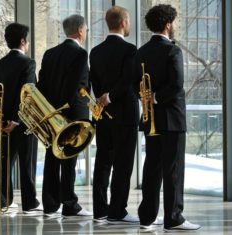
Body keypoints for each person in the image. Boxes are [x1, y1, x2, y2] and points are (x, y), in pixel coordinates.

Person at [133, 4, 201, 231]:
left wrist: (148, 98)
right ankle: (173, 218)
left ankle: (147, 218)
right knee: (173, 170)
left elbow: (135, 86)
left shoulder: (140, 51)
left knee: (151, 167)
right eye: (173, 22)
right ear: (167, 25)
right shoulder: (173, 51)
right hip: (172, 119)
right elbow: (177, 86)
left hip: (151, 119)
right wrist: (156, 98)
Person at [89, 6, 140, 224]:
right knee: (123, 164)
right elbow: (129, 80)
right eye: (128, 21)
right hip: (125, 114)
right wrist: (110, 97)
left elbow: (95, 82)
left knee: (102, 161)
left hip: (103, 115)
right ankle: (117, 211)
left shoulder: (95, 51)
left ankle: (100, 210)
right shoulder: (130, 50)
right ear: (123, 23)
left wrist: (103, 98)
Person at [37, 14, 92, 217]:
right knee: (69, 158)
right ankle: (69, 204)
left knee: (52, 156)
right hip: (71, 114)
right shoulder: (80, 54)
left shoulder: (50, 53)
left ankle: (50, 205)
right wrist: (66, 113)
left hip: (50, 113)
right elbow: (76, 86)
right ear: (79, 30)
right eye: (86, 29)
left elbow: (41, 85)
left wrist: (51, 111)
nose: (86, 33)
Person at [0, 23, 41, 212]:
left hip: (4, 121)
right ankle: (29, 203)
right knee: (27, 163)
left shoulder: (0, 64)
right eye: (27, 40)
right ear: (23, 41)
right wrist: (16, 120)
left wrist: (2, 120)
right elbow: (27, 93)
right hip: (24, 122)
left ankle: (4, 200)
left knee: (5, 161)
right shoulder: (28, 63)